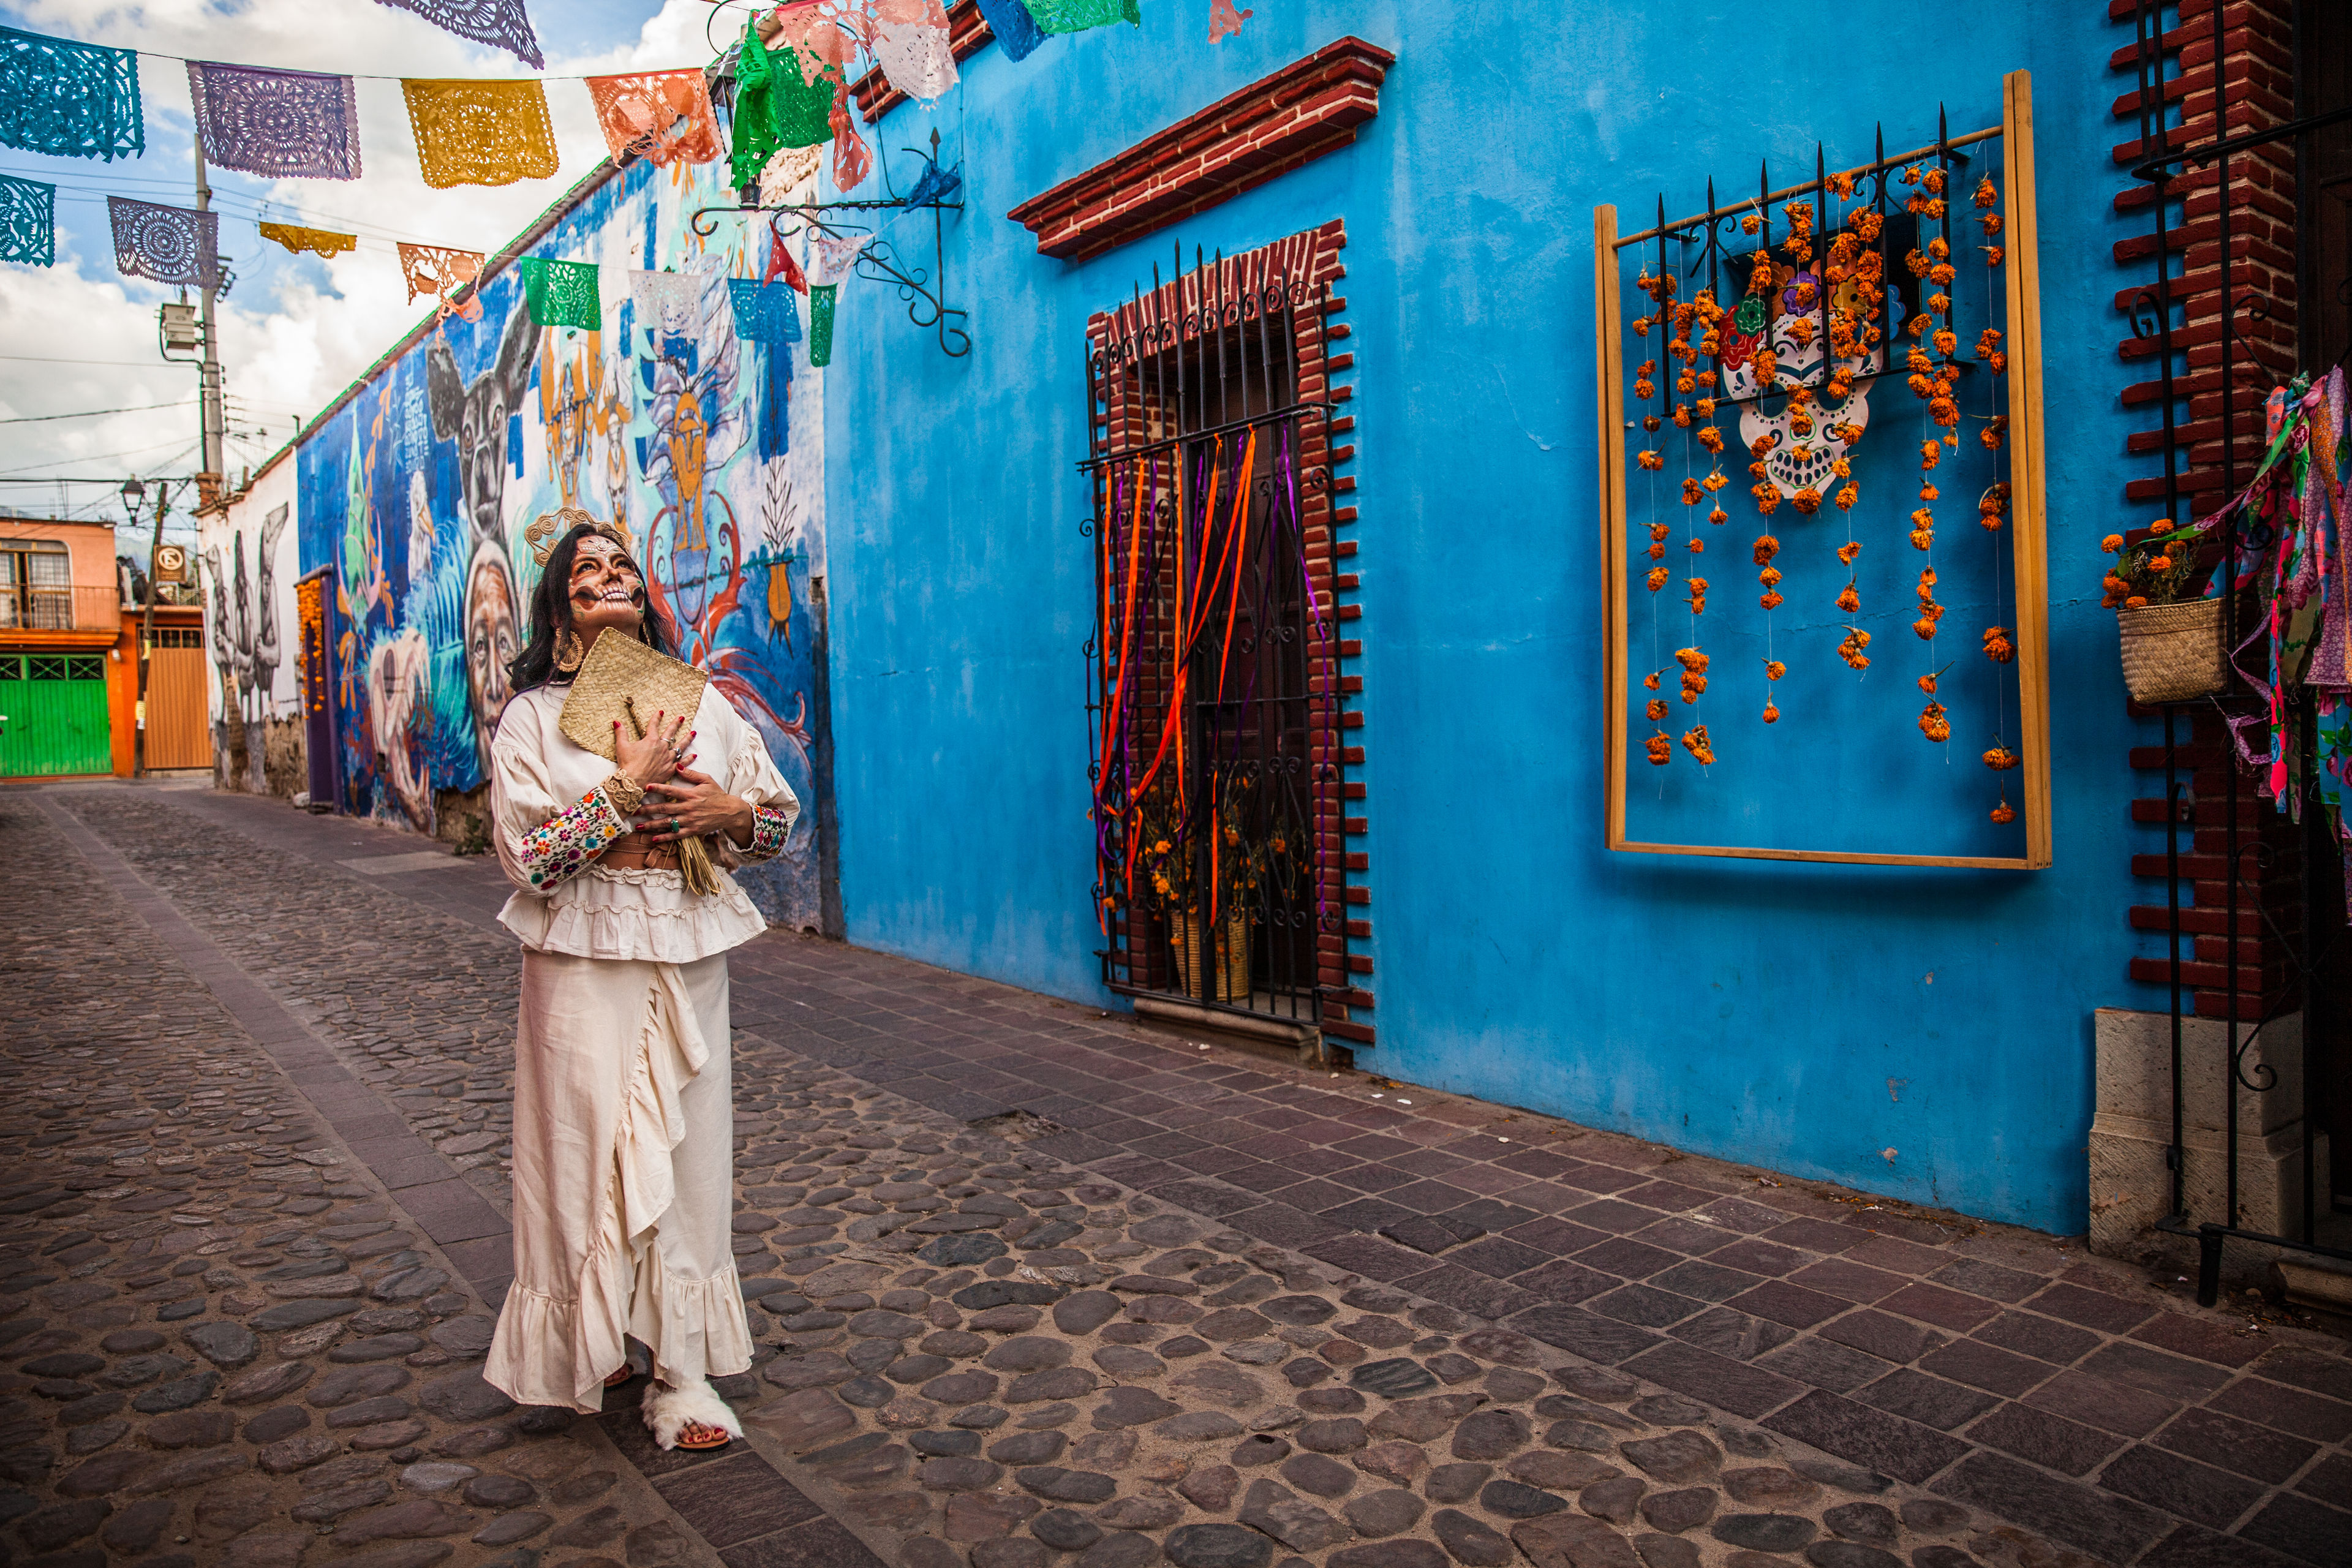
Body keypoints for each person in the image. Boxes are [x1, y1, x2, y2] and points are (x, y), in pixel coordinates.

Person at [483, 513, 798, 1450]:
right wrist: (625, 790)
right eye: (588, 568)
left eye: (623, 564)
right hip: (581, 964)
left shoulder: (704, 705)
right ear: (560, 605)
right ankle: (591, 1338)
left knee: (694, 1155)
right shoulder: (534, 720)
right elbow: (530, 860)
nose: (611, 574)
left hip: (688, 953)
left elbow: (781, 829)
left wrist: (727, 809)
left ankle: (685, 1377)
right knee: (580, 1154)